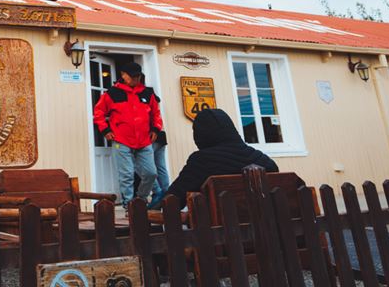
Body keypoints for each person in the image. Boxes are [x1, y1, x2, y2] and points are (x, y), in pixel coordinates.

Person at [159, 107, 278, 209]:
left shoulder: (202, 161)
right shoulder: (265, 161)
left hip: (221, 234)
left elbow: (172, 200)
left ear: (200, 135)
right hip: (271, 232)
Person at [92, 62, 162, 205]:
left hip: (144, 140)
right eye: (133, 76)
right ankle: (129, 206)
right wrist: (105, 130)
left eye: (138, 76)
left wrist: (156, 129)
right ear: (123, 75)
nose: (136, 79)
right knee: (127, 175)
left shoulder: (148, 93)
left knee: (151, 173)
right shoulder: (111, 93)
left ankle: (141, 200)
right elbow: (98, 112)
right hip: (121, 140)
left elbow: (156, 113)